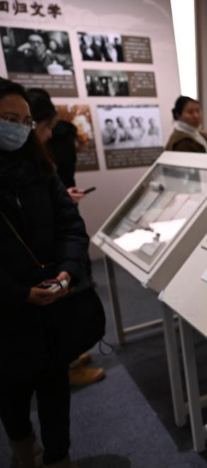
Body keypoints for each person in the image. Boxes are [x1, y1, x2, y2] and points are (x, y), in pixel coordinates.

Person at [0, 78, 89, 468]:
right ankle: (24, 452)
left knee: (55, 388)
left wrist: (67, 272)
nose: (20, 129)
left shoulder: (41, 168)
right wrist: (19, 293)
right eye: (9, 119)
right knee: (11, 392)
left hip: (51, 303)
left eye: (25, 121)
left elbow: (70, 226)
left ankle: (58, 457)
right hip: (6, 313)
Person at [27, 88, 106, 388]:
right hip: (44, 256)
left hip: (58, 250)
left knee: (71, 303)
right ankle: (67, 365)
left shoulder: (38, 159)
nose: (49, 134)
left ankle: (70, 357)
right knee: (60, 312)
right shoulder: (28, 161)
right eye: (46, 127)